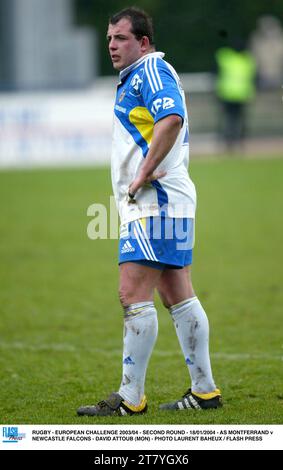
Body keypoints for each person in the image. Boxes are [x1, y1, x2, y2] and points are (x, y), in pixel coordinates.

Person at [77, 7, 222, 417]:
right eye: (109, 39)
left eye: (120, 38)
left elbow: (171, 118)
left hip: (155, 202)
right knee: (177, 293)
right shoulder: (136, 78)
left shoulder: (151, 72)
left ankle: (130, 398)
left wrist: (142, 171)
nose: (112, 46)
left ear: (143, 42)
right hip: (164, 201)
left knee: (132, 293)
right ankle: (205, 391)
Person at [215, 41, 256, 151]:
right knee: (240, 121)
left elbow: (216, 74)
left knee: (228, 120)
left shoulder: (225, 57)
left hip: (227, 94)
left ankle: (228, 142)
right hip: (242, 94)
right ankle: (239, 142)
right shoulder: (247, 60)